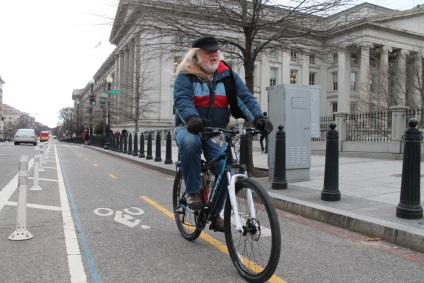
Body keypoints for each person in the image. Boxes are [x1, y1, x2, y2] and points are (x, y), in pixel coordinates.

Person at [173, 35, 273, 232]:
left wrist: (258, 118)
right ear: (196, 55)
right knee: (191, 143)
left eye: (216, 51)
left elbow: (244, 98)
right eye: (208, 52)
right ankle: (193, 191)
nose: (214, 55)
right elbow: (182, 100)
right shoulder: (186, 75)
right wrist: (192, 118)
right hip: (189, 126)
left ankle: (215, 214)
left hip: (216, 131)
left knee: (226, 172)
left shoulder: (227, 75)